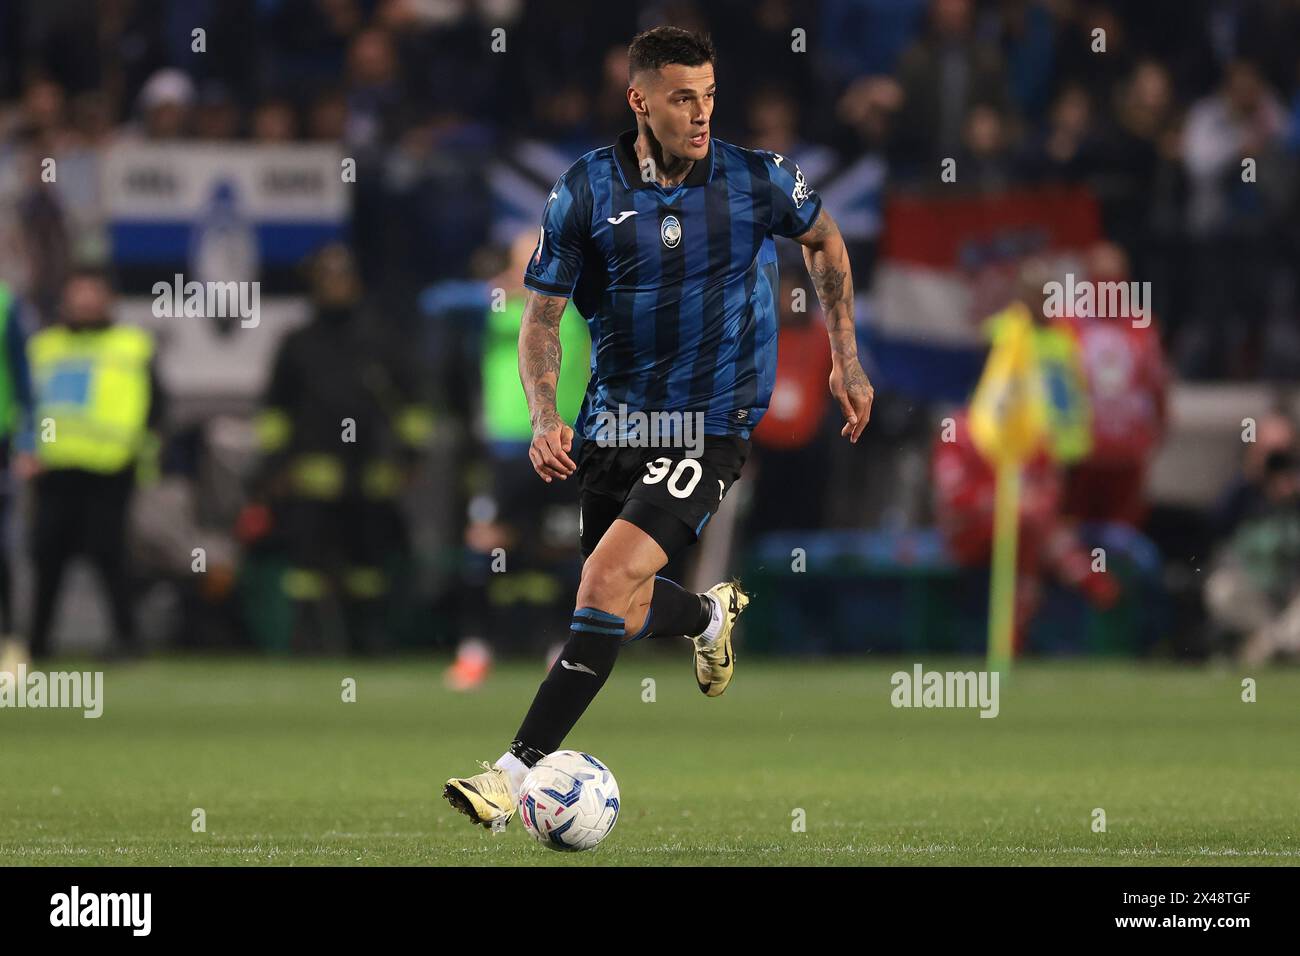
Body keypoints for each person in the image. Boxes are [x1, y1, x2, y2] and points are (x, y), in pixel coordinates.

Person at [444, 27, 874, 830]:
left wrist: (845, 359)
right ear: (639, 99)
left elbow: (823, 239)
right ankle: (710, 617)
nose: (702, 113)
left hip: (710, 423)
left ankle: (510, 774)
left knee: (603, 585)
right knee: (625, 602)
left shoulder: (755, 178)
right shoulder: (583, 191)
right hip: (614, 421)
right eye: (683, 97)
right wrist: (545, 414)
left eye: (710, 95)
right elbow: (540, 321)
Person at [250, 243, 432, 654]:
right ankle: (308, 642)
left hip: (371, 475)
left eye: (342, 277)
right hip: (311, 476)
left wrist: (411, 456)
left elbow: (412, 403)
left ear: (356, 283)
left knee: (368, 565)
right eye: (326, 279)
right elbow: (276, 410)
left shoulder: (381, 339)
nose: (335, 287)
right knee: (307, 568)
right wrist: (274, 466)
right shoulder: (298, 343)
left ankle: (368, 640)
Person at [26, 268, 165, 660]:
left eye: (93, 293)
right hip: (54, 468)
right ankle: (36, 644)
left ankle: (127, 640)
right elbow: (27, 406)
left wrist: (144, 458)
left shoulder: (131, 345)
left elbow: (156, 407)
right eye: (78, 293)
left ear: (109, 300)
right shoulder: (43, 347)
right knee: (47, 556)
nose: (85, 302)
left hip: (110, 468)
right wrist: (28, 450)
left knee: (110, 556)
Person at [0, 280, 35, 665]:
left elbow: (24, 383)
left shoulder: (5, 304)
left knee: (3, 549)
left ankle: (10, 641)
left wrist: (29, 442)